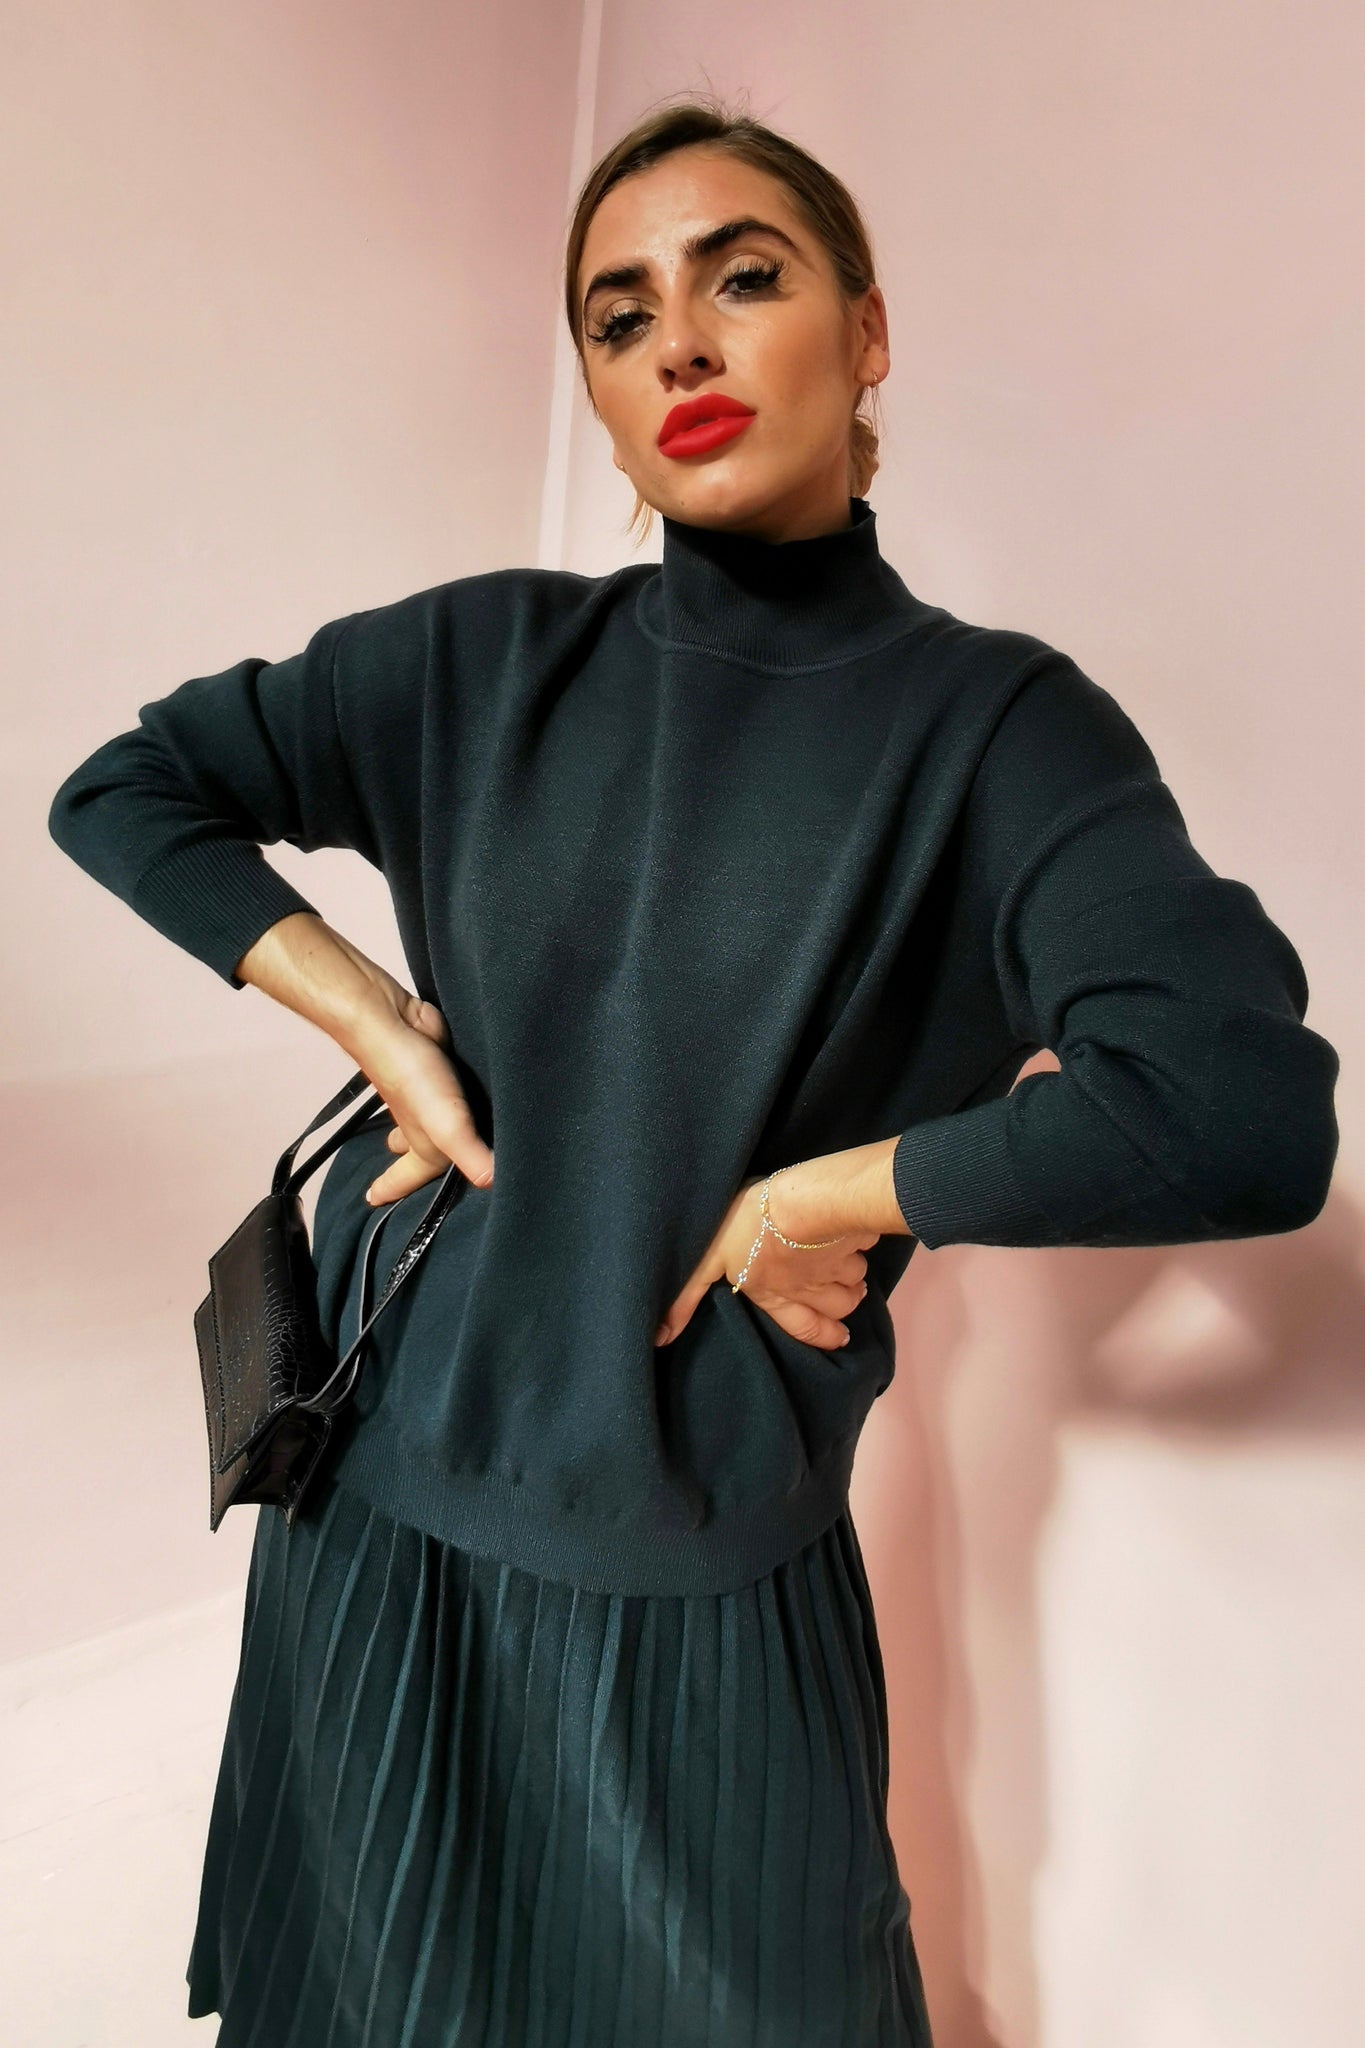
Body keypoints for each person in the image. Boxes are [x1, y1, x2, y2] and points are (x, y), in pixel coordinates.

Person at [47, 94, 1338, 2048]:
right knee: (368, 1998)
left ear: (866, 331)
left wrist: (836, 1193)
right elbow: (127, 787)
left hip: (695, 1547)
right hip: (370, 1484)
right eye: (619, 312)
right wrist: (372, 1015)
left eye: (742, 277)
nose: (678, 343)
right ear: (594, 387)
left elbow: (1230, 1106)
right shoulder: (477, 661)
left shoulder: (996, 729)